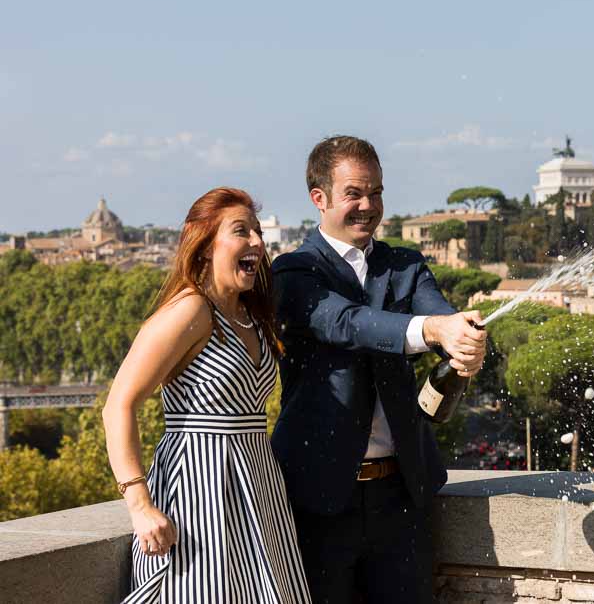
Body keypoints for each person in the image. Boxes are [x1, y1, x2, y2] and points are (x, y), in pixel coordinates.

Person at [271, 135, 487, 603]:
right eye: (354, 193)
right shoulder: (294, 272)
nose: (368, 205)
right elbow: (347, 323)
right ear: (319, 198)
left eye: (377, 192)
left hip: (401, 496)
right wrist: (434, 329)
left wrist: (464, 341)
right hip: (318, 497)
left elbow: (442, 319)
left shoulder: (405, 265)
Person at [104, 187, 311, 603]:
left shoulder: (251, 314)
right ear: (204, 246)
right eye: (241, 231)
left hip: (257, 491)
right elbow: (118, 405)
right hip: (199, 494)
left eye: (257, 231)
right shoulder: (190, 310)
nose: (257, 241)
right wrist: (140, 506)